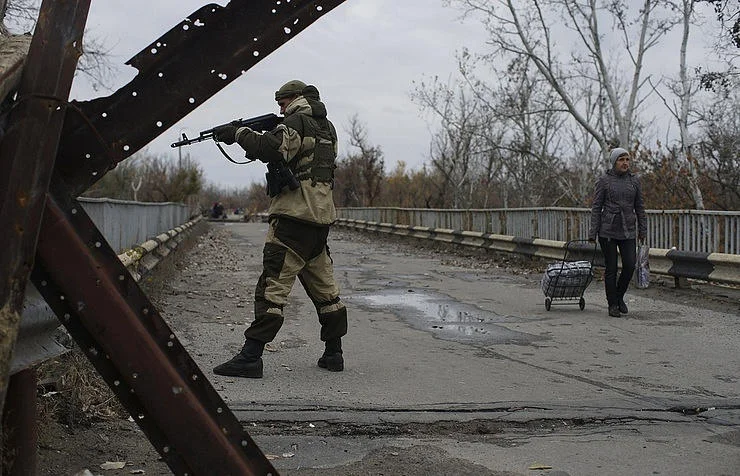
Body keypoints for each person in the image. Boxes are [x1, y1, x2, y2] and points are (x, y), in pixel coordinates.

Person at [211, 80, 347, 378]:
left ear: (296, 99)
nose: (280, 109)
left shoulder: (295, 122)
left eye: (283, 103)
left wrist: (238, 133)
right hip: (319, 223)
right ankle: (334, 353)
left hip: (291, 223)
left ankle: (250, 357)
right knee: (326, 292)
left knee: (271, 291)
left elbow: (270, 149)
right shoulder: (328, 128)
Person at [588, 147, 647, 318]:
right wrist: (593, 232)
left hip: (628, 229)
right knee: (611, 268)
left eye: (627, 159)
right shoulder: (604, 181)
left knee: (629, 265)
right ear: (614, 162)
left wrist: (643, 229)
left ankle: (619, 296)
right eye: (621, 160)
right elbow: (596, 207)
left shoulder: (634, 181)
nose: (625, 163)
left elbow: (640, 207)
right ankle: (612, 304)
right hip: (607, 230)